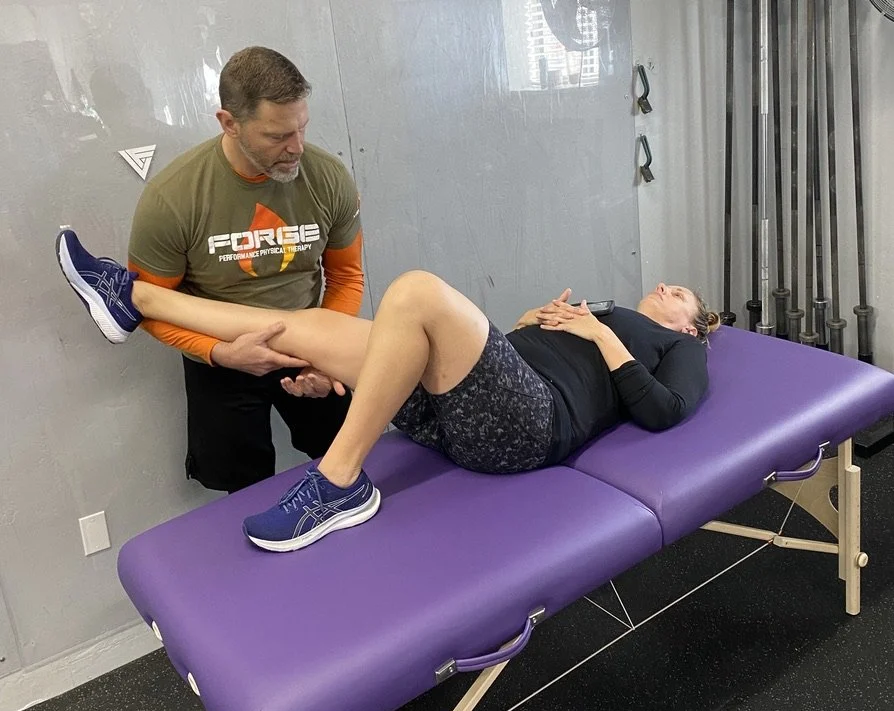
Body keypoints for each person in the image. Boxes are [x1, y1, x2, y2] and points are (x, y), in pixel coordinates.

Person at [56, 229, 720, 553]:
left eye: (680, 294)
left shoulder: (678, 348)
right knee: (313, 328)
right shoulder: (600, 312)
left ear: (691, 324)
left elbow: (666, 413)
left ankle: (339, 481)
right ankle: (132, 295)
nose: (666, 287)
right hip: (469, 408)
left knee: (416, 290)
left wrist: (602, 339)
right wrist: (525, 328)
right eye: (668, 283)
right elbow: (486, 363)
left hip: (529, 430)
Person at [126, 46, 366, 493]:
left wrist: (329, 356)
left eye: (301, 128)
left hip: (312, 344)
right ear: (229, 123)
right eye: (276, 136)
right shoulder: (172, 199)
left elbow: (347, 277)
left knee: (351, 465)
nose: (295, 148)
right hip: (220, 356)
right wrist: (220, 354)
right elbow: (148, 306)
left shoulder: (328, 177)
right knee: (238, 488)